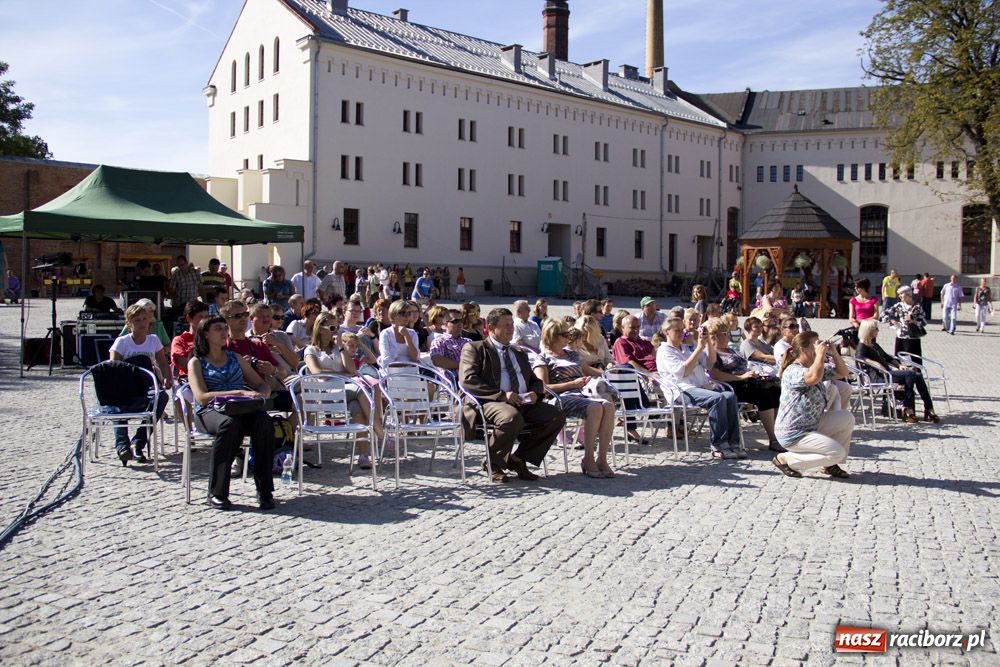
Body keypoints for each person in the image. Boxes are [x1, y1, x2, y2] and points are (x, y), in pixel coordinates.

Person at [459, 308, 565, 482]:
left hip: (522, 401)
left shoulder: (518, 352)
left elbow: (535, 381)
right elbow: (468, 380)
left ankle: (518, 458)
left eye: (512, 324)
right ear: (492, 328)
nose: (511, 329)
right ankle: (492, 462)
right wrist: (502, 395)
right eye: (506, 325)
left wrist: (535, 394)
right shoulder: (475, 348)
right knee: (510, 417)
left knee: (556, 415)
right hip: (489, 401)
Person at [187, 316, 276, 510]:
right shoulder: (196, 362)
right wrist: (237, 392)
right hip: (209, 412)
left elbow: (260, 383)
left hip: (239, 409)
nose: (223, 332)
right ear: (206, 334)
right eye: (217, 329)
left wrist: (262, 396)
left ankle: (265, 490)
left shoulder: (234, 358)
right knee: (229, 424)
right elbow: (202, 397)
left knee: (263, 421)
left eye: (224, 328)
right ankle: (217, 492)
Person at [533, 320, 617, 478]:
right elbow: (544, 389)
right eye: (564, 334)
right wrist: (571, 384)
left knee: (608, 406)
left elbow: (589, 370)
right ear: (552, 337)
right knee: (595, 407)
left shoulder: (572, 354)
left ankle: (602, 459)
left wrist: (610, 372)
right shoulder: (543, 359)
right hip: (560, 398)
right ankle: (588, 459)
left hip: (581, 394)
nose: (568, 337)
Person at [656, 317, 743, 459]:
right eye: (676, 330)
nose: (680, 333)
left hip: (699, 388)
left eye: (681, 330)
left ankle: (733, 443)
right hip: (681, 391)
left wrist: (707, 341)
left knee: (729, 396)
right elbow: (683, 371)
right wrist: (698, 348)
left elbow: (710, 363)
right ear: (667, 331)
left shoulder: (686, 348)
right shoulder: (664, 351)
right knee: (717, 398)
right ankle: (718, 445)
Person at [771, 331, 853, 479]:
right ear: (803, 349)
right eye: (815, 345)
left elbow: (842, 372)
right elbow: (813, 378)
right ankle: (786, 459)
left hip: (812, 424)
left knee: (846, 417)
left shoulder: (816, 366)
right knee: (836, 452)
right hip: (794, 432)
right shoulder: (793, 370)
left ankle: (830, 464)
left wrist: (834, 353)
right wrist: (821, 356)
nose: (819, 348)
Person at [304, 311, 377, 468]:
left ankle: (364, 455)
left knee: (356, 406)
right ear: (321, 328)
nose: (336, 331)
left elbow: (351, 370)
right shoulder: (311, 350)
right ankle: (381, 433)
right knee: (360, 389)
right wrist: (342, 374)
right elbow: (318, 373)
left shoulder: (338, 349)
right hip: (324, 395)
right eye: (332, 327)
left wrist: (341, 349)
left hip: (344, 392)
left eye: (337, 327)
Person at [705, 318, 783, 451]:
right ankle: (773, 438)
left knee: (776, 390)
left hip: (747, 381)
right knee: (765, 396)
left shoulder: (730, 350)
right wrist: (741, 377)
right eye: (725, 333)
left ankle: (779, 434)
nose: (728, 336)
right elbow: (714, 375)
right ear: (716, 336)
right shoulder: (713, 353)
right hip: (732, 385)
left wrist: (754, 373)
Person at [109, 304, 173, 464]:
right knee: (117, 404)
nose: (142, 323)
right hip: (126, 387)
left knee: (162, 398)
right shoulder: (122, 342)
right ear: (129, 323)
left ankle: (139, 441)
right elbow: (112, 368)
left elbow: (163, 362)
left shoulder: (153, 340)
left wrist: (167, 377)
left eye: (145, 319)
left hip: (146, 386)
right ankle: (122, 445)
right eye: (137, 320)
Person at [856, 320, 939, 423]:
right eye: (876, 329)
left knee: (917, 375)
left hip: (887, 373)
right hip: (879, 377)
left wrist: (900, 365)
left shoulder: (874, 345)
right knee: (911, 374)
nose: (878, 330)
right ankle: (908, 408)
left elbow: (888, 358)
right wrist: (876, 364)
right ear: (869, 331)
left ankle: (928, 409)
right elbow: (859, 358)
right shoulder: (862, 346)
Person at [222, 300, 294, 413]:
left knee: (299, 402)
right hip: (235, 395)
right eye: (237, 316)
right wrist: (240, 366)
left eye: (245, 314)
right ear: (226, 320)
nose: (243, 319)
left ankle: (286, 429)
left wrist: (272, 370)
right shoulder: (222, 346)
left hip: (262, 392)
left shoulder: (257, 344)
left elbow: (282, 371)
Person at [247, 302, 299, 375]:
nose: (266, 319)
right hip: (263, 380)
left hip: (289, 378)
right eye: (262, 316)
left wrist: (279, 344)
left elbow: (295, 363)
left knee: (311, 384)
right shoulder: (246, 339)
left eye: (268, 316)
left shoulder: (282, 335)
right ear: (251, 318)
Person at [880, 285, 927, 359]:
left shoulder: (917, 307)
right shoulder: (899, 306)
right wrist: (893, 321)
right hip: (901, 336)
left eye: (901, 293)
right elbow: (883, 314)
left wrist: (913, 321)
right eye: (899, 294)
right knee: (902, 360)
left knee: (914, 361)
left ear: (908, 294)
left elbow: (924, 322)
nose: (900, 296)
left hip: (913, 337)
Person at [170, 300, 210, 379]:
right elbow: (182, 363)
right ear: (189, 318)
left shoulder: (212, 337)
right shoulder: (179, 340)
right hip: (189, 380)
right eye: (200, 317)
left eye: (206, 317)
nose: (204, 320)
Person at [430, 309, 471, 381]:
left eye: (461, 321)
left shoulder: (468, 341)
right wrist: (462, 365)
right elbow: (437, 360)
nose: (460, 324)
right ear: (445, 324)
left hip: (471, 377)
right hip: (453, 380)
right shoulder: (439, 341)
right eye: (455, 321)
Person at [377, 299, 420, 366]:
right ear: (394, 314)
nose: (406, 317)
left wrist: (406, 336)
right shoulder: (385, 334)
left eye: (408, 313)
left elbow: (415, 358)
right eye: (403, 313)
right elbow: (386, 360)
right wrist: (406, 364)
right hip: (391, 373)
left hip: (410, 373)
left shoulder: (412, 333)